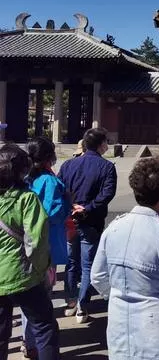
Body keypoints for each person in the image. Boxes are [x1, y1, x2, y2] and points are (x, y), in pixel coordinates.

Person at [91, 157, 159, 360]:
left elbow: (98, 276)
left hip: (119, 327)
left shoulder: (113, 228)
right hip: (156, 330)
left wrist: (118, 295)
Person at [0, 144, 60, 360]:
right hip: (22, 274)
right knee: (45, 327)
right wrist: (43, 268)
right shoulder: (27, 199)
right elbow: (36, 242)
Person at [58, 127, 117, 323]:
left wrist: (71, 206)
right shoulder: (107, 167)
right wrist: (87, 208)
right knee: (87, 265)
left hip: (70, 220)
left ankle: (70, 301)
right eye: (106, 141)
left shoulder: (68, 165)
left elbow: (60, 189)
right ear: (101, 145)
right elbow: (106, 194)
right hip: (91, 221)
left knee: (71, 262)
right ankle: (82, 306)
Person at [21, 137, 69, 358]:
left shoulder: (23, 178)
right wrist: (68, 202)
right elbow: (52, 214)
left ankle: (27, 340)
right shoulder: (49, 181)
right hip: (45, 248)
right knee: (41, 300)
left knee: (27, 297)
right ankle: (34, 344)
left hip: (23, 244)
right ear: (50, 157)